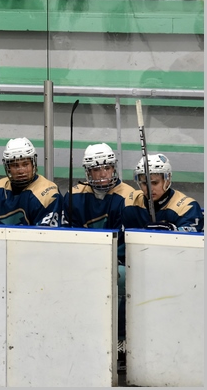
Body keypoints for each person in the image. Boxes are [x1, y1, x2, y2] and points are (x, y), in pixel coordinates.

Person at [61, 143, 136, 357]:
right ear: (88, 172)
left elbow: (126, 244)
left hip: (116, 263)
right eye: (96, 169)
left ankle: (120, 339)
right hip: (82, 262)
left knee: (120, 277)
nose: (103, 174)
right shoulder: (74, 196)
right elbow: (66, 237)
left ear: (114, 168)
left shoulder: (130, 197)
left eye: (107, 168)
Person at [0, 137, 62, 226]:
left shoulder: (49, 195)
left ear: (33, 164)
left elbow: (44, 233)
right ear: (8, 168)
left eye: (25, 164)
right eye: (15, 165)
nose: (21, 171)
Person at [124, 154, 204, 232]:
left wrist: (173, 230)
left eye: (155, 183)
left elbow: (191, 237)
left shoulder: (187, 207)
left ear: (167, 180)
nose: (150, 189)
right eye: (145, 183)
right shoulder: (130, 201)